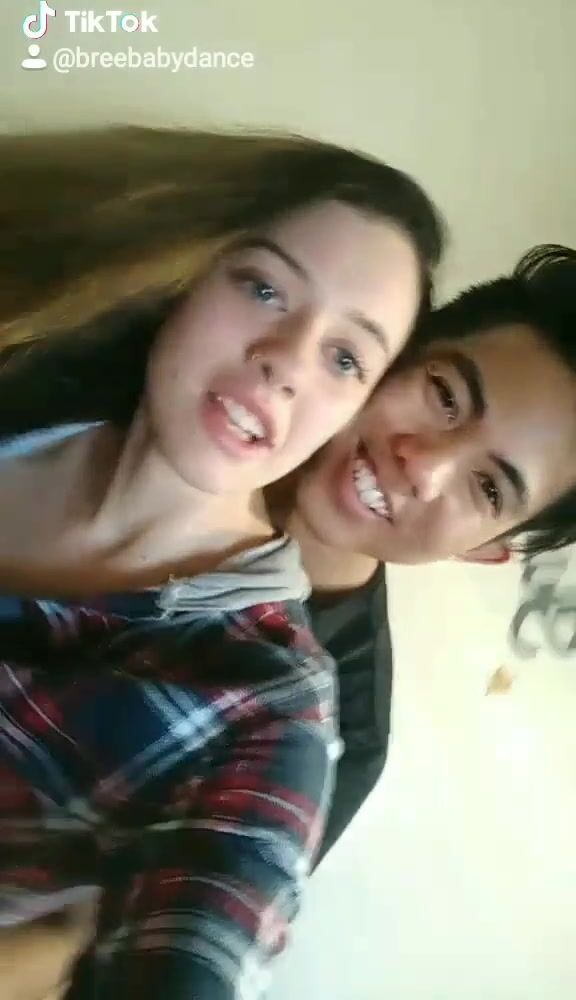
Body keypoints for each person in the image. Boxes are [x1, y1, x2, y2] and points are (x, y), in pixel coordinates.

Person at [0, 125, 443, 998]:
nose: (285, 362)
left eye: (345, 357)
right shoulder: (28, 371)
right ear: (190, 274)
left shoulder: (265, 709)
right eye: (264, 287)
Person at [286, 243, 576, 862]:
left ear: (486, 549)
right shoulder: (166, 397)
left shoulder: (331, 743)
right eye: (445, 396)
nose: (423, 466)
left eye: (489, 489)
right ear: (397, 353)